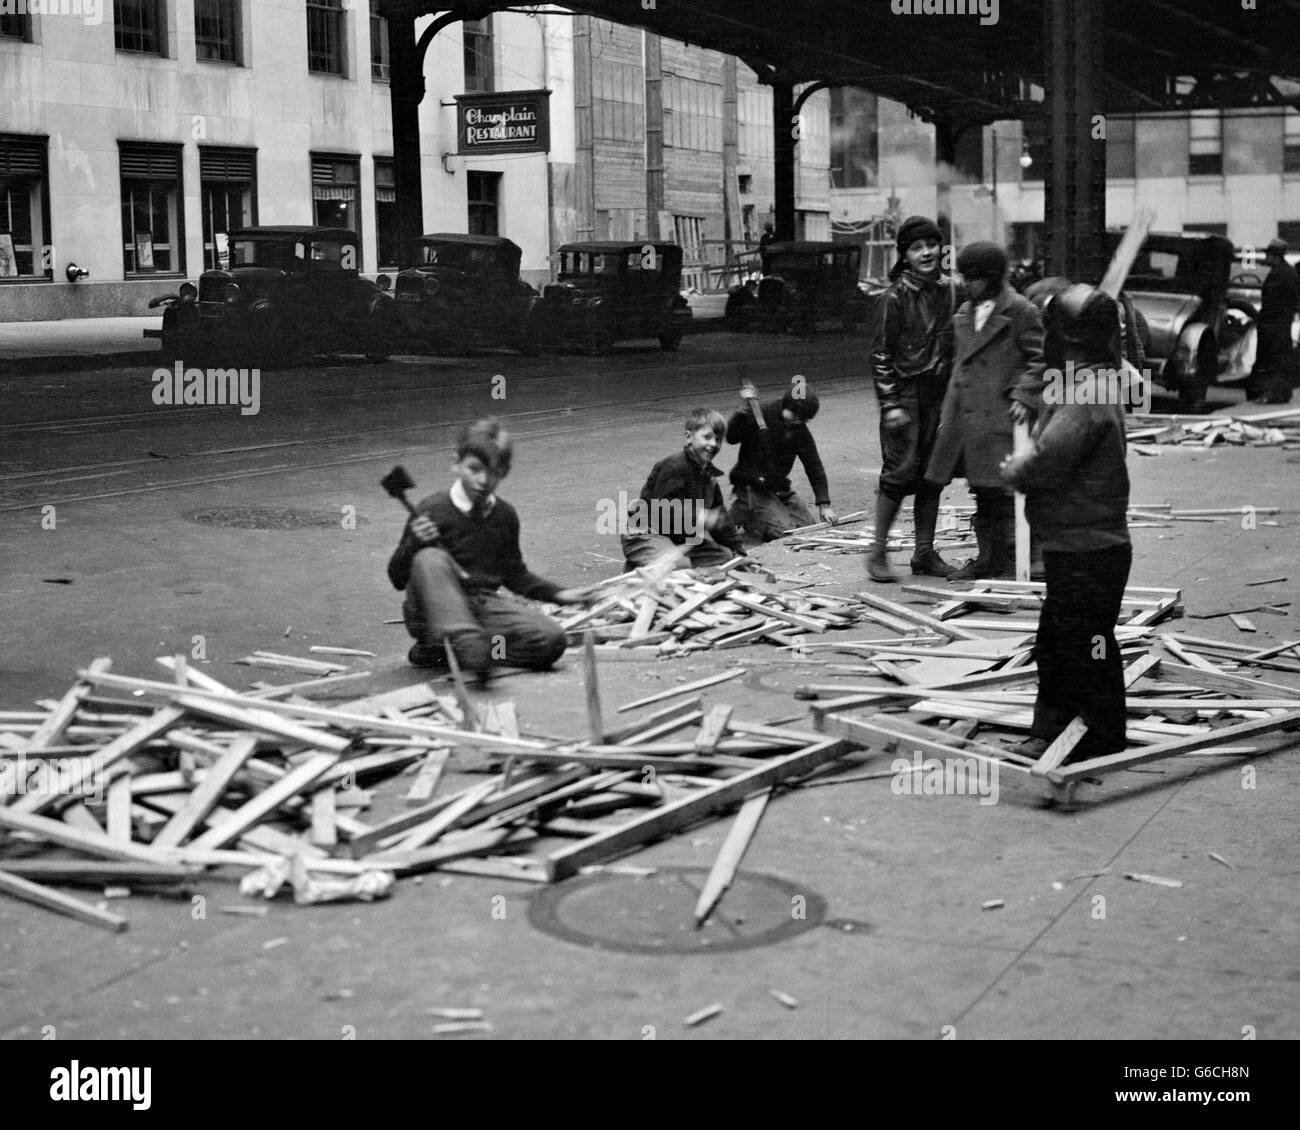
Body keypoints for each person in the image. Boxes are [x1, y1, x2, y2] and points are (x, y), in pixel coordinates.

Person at [1001, 284, 1132, 763]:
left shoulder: (1087, 393)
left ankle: (1102, 733)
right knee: (1059, 642)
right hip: (1080, 544)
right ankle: (1055, 728)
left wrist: (1014, 470)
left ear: (1068, 338)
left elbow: (1048, 461)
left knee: (1086, 644)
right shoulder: (1094, 380)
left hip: (1088, 547)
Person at [387, 418, 590, 680]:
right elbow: (397, 578)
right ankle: (463, 644)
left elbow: (514, 575)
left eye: (493, 472)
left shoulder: (504, 515)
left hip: (481, 605)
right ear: (456, 463)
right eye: (474, 468)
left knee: (551, 640)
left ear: (504, 472)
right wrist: (414, 541)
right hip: (431, 610)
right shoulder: (431, 510)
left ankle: (447, 652)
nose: (483, 480)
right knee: (430, 557)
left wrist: (560, 594)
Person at [926, 241, 1045, 582]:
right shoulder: (964, 313)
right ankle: (987, 559)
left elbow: (1043, 359)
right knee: (982, 492)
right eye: (964, 276)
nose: (967, 284)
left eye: (974, 278)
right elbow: (959, 367)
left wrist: (1024, 394)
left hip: (1002, 418)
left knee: (1007, 492)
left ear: (993, 277)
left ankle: (1013, 561)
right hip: (969, 420)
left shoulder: (1021, 310)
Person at [866, 215, 959, 583]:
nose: (926, 253)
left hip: (939, 394)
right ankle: (877, 553)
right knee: (899, 474)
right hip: (905, 394)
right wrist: (890, 404)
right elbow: (879, 354)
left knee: (933, 475)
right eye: (917, 247)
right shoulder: (894, 297)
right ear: (904, 255)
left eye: (931, 245)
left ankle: (924, 554)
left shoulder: (951, 290)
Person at [622, 407, 745, 569]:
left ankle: (655, 561)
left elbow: (721, 519)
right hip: (647, 534)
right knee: (677, 565)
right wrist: (700, 517)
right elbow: (664, 513)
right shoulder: (672, 467)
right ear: (689, 437)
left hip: (677, 538)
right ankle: (638, 565)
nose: (713, 444)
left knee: (725, 557)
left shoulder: (709, 475)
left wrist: (739, 553)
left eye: (719, 439)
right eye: (707, 437)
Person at [726, 381, 835, 541]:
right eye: (795, 416)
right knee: (785, 533)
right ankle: (747, 512)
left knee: (808, 529)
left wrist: (824, 505)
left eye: (803, 420)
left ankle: (747, 510)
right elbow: (731, 437)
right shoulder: (761, 413)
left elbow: (814, 466)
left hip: (778, 486)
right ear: (786, 405)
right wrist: (741, 414)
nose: (798, 422)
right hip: (752, 486)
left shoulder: (800, 430)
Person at [1245, 238, 1299, 405]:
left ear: (1275, 256)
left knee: (1271, 359)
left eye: (1268, 254)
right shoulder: (1287, 272)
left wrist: (1262, 320)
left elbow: (1273, 302)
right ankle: (1281, 394)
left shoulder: (1280, 274)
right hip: (1280, 323)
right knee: (1279, 359)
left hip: (1274, 324)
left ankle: (1272, 395)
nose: (1265, 257)